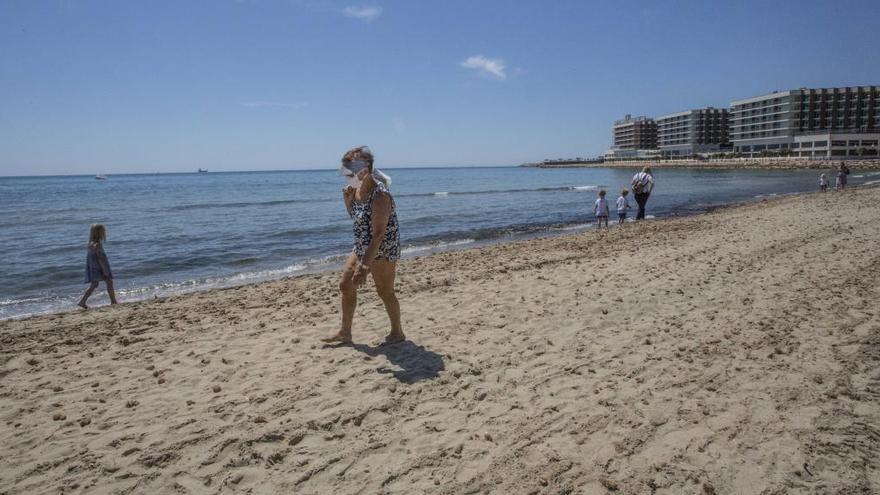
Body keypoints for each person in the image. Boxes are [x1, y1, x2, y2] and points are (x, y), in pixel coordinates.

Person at [322, 146, 404, 346]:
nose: (346, 178)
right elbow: (358, 219)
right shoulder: (357, 189)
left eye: (350, 173)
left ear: (364, 170)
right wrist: (347, 202)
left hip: (382, 248)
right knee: (345, 285)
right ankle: (345, 332)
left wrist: (364, 265)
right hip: (361, 245)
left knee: (385, 291)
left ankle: (397, 333)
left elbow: (378, 234)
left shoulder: (380, 196)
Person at [78, 224, 117, 309]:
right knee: (109, 282)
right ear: (99, 233)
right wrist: (105, 270)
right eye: (103, 232)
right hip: (101, 268)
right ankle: (113, 301)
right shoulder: (98, 245)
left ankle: (82, 301)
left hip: (93, 269)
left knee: (94, 285)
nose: (104, 233)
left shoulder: (90, 244)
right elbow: (100, 259)